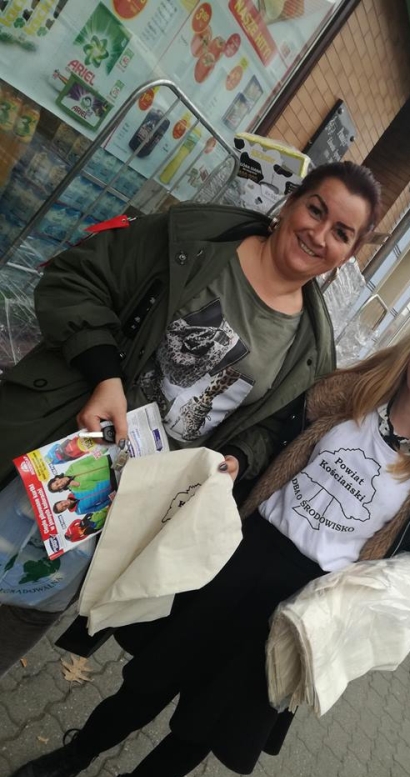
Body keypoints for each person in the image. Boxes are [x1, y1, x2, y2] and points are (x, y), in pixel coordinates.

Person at [1, 302, 410, 777]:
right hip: (241, 554)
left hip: (299, 603)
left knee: (203, 725)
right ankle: (74, 756)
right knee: (149, 682)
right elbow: (270, 439)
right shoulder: (345, 394)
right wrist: (236, 465)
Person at [0, 161, 382, 677]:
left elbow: (269, 428)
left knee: (24, 610)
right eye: (316, 210)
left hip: (126, 506)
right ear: (291, 203)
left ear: (349, 253)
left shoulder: (310, 348)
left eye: (341, 233)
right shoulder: (194, 241)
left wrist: (238, 458)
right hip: (64, 444)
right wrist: (103, 375)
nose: (319, 234)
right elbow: (77, 279)